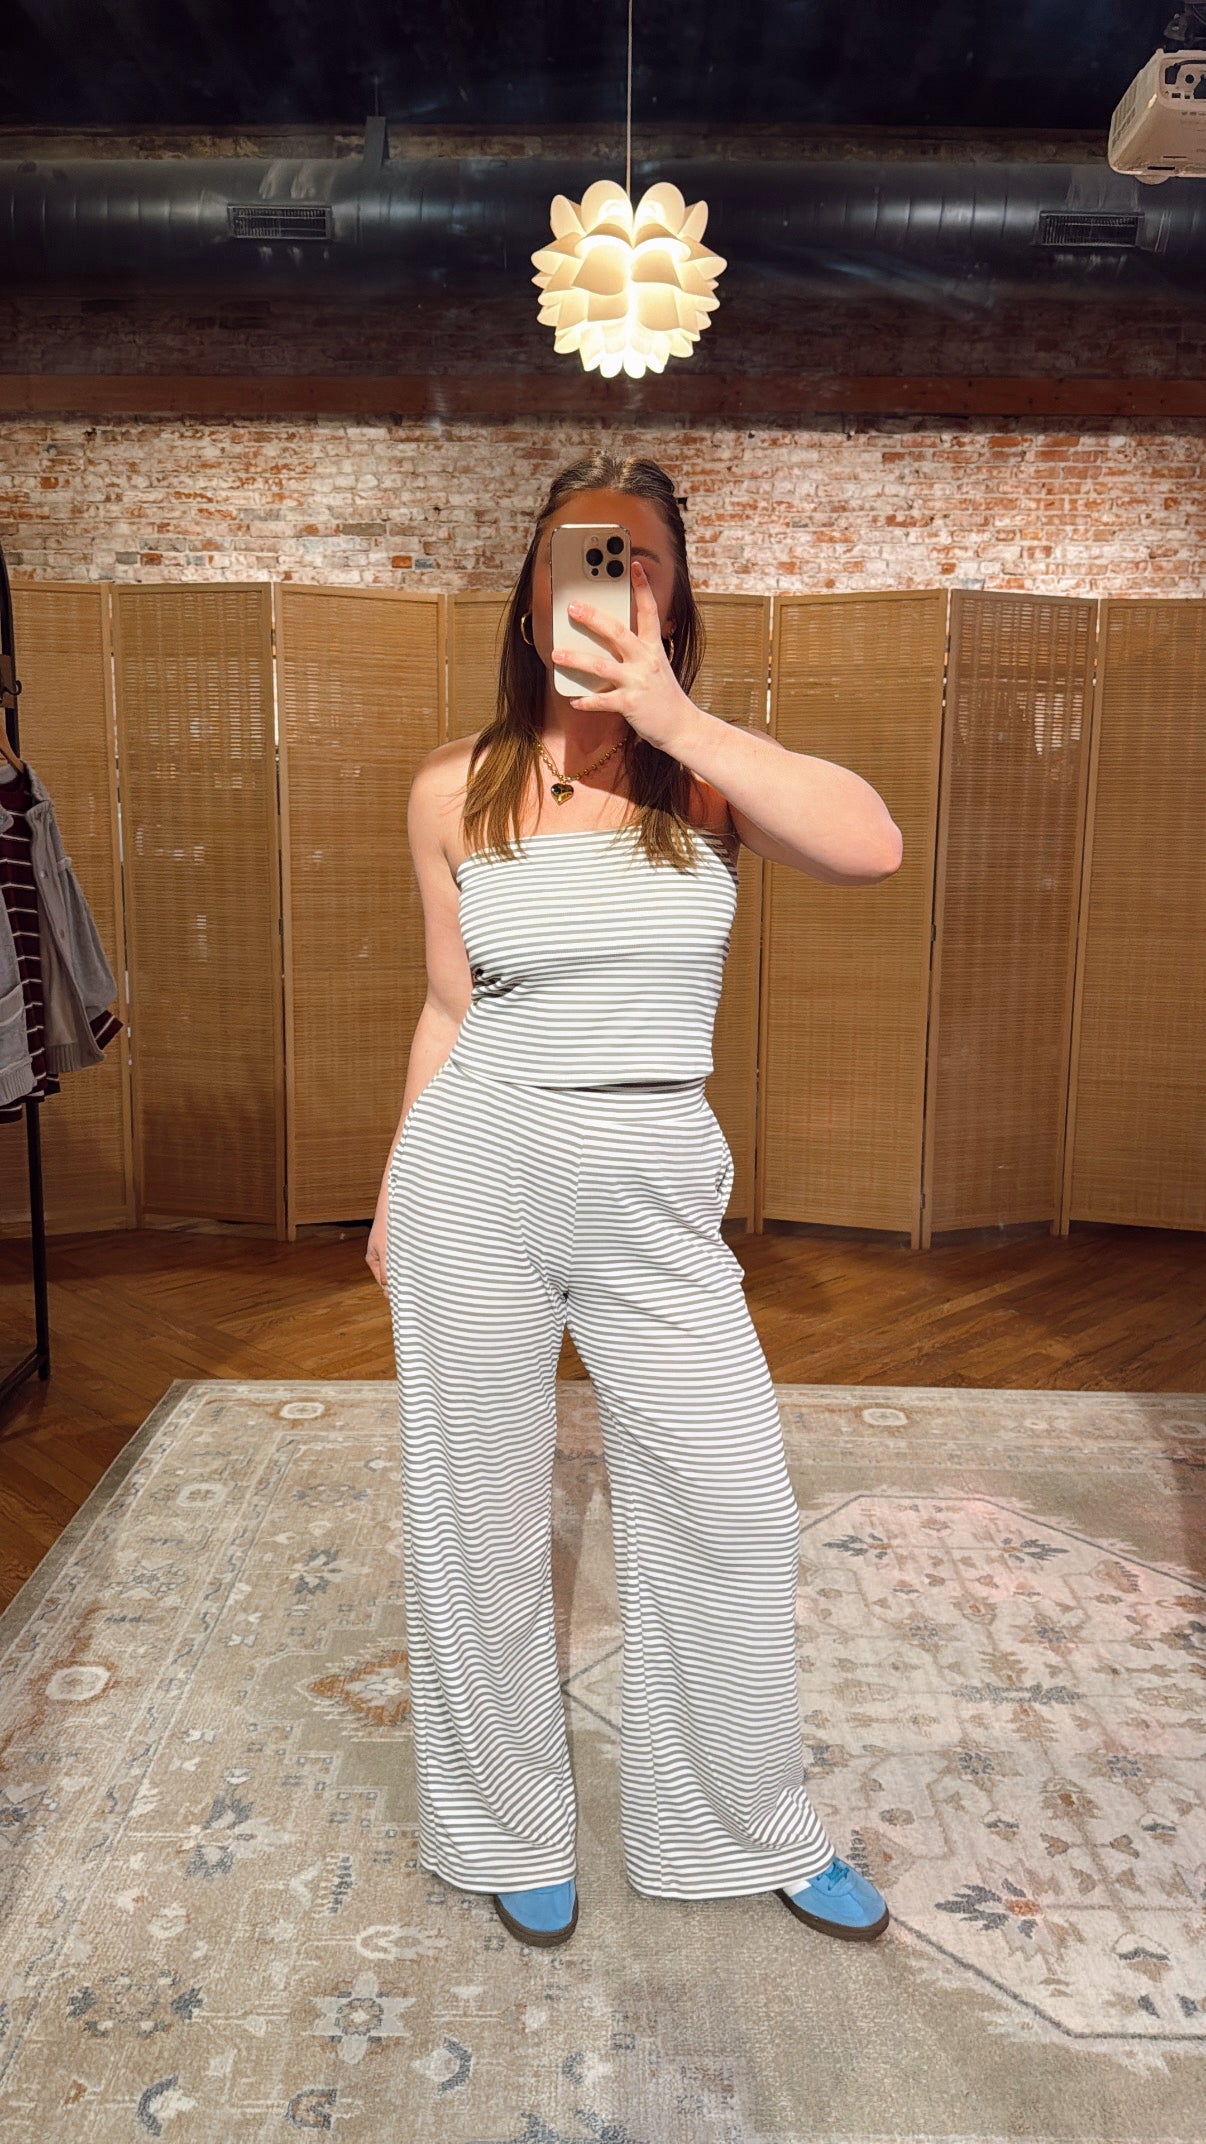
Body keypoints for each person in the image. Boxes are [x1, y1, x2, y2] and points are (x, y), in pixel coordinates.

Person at [365, 451, 893, 1950]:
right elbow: (451, 1004)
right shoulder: (453, 788)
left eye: (637, 554)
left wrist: (669, 714)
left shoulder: (707, 774)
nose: (610, 576)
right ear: (533, 585)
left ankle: (738, 1819)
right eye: (580, 552)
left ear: (674, 589)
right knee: (476, 1510)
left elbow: (871, 846)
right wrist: (397, 1180)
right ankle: (502, 1821)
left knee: (732, 1508)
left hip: (653, 1179)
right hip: (477, 1166)